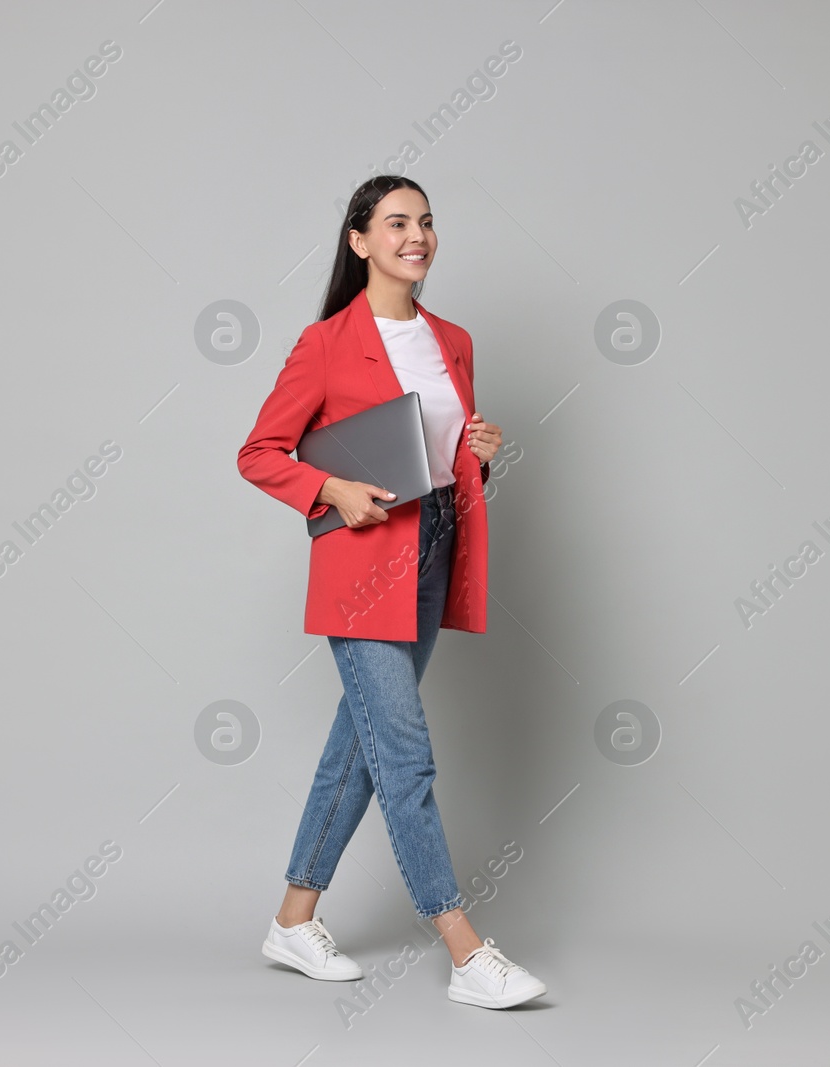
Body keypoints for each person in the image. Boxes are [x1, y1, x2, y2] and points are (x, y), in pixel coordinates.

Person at [237, 175, 545, 1010]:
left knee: (360, 747)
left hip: (436, 549)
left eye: (428, 222)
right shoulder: (327, 343)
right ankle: (465, 948)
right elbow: (261, 451)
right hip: (363, 564)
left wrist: (478, 451)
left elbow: (444, 457)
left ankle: (293, 919)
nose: (418, 236)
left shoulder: (454, 338)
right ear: (359, 240)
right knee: (404, 754)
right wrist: (331, 489)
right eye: (398, 223)